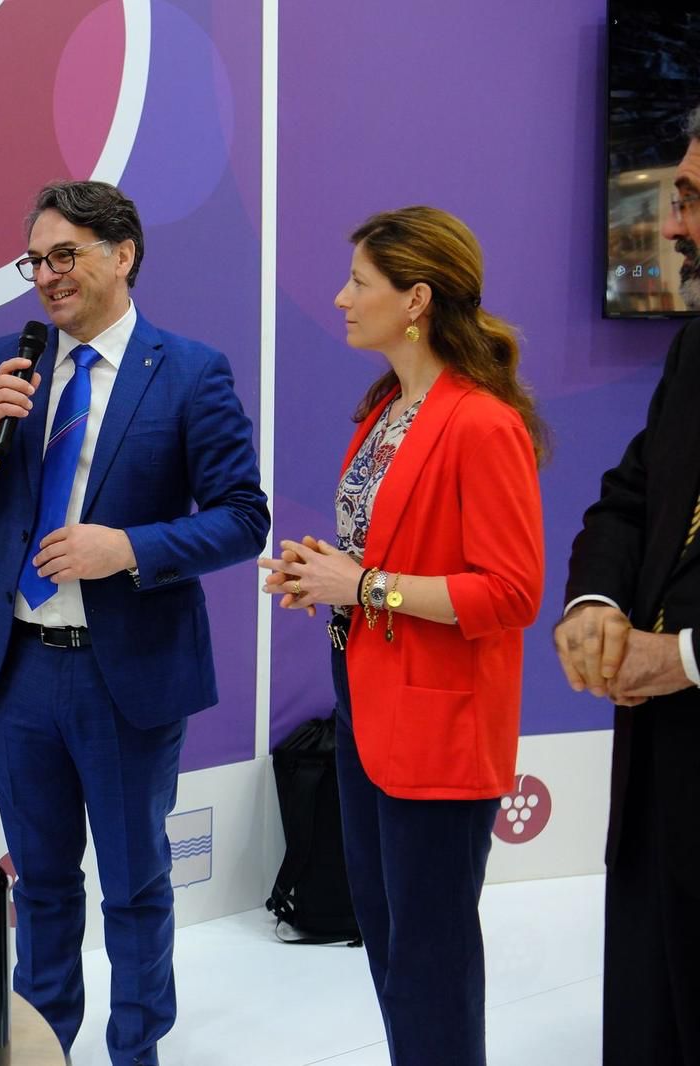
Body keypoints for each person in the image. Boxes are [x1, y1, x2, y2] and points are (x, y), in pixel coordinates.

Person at [0, 180, 268, 1065]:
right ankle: (45, 1047)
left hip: (128, 674)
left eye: (64, 254)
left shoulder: (190, 372)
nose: (47, 275)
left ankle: (135, 1050)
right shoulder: (9, 361)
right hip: (20, 668)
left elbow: (243, 517)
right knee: (40, 883)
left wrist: (128, 548)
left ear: (123, 254)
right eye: (35, 260)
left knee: (137, 886)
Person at [259, 206, 545, 1066]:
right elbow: (393, 552)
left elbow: (512, 592)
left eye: (360, 282)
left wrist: (362, 587)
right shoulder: (385, 408)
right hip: (366, 707)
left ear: (416, 299)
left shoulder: (482, 423)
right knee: (390, 944)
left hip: (439, 727)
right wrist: (326, 576)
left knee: (429, 962)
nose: (341, 298)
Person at [555, 103, 700, 1066]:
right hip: (659, 793)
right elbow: (632, 494)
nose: (673, 223)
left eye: (689, 198)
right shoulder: (694, 348)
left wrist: (685, 655)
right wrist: (595, 606)